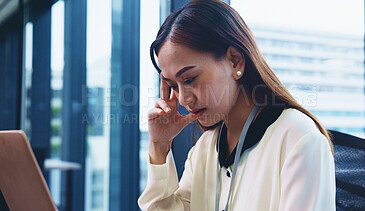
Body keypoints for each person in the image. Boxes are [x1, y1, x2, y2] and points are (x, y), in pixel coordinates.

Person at [138, 0, 336, 210]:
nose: (184, 99)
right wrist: (159, 146)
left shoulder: (298, 138)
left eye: (189, 79)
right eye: (173, 86)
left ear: (234, 61)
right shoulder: (205, 148)